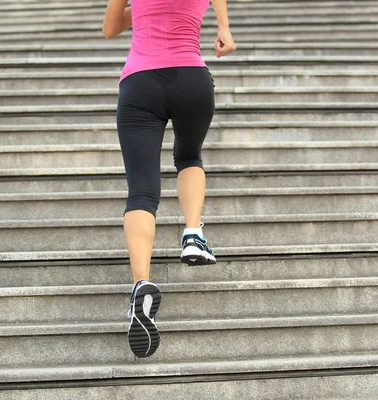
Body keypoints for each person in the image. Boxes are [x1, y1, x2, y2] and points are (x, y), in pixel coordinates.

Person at [102, 0, 236, 358]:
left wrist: (147, 10)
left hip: (140, 84)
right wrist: (223, 27)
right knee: (189, 156)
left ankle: (140, 286)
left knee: (142, 192)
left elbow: (110, 28)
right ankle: (193, 233)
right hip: (192, 79)